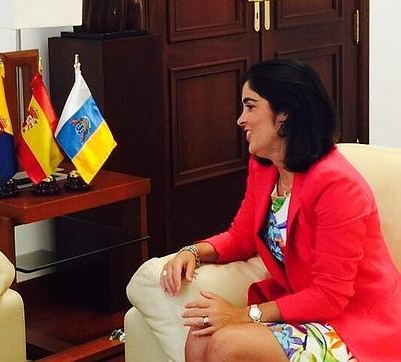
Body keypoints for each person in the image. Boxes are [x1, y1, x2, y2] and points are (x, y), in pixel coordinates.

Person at [160, 59, 401, 361]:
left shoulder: (337, 185)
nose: (240, 119)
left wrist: (242, 315)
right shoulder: (265, 168)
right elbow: (242, 237)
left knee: (226, 344)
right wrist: (193, 252)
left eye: (250, 106)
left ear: (284, 114)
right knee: (200, 336)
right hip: (305, 311)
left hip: (353, 324)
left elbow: (331, 295)